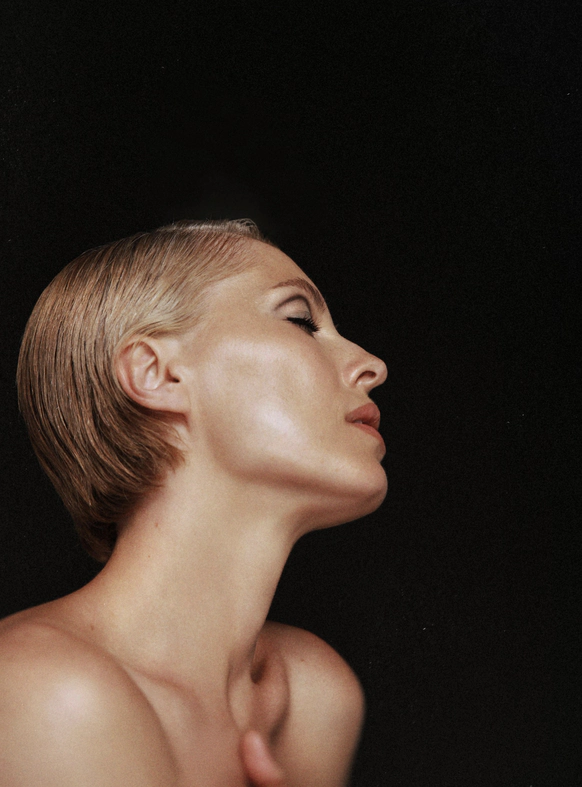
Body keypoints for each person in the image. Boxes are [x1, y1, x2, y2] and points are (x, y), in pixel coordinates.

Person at [0, 218, 387, 786]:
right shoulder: (46, 690)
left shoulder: (312, 693)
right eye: (301, 320)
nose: (372, 366)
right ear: (156, 374)